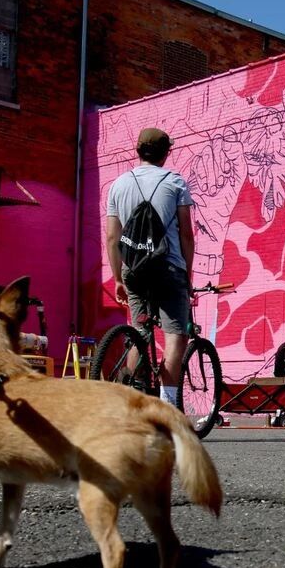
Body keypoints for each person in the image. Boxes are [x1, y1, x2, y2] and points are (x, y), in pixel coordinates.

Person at [105, 127, 195, 407]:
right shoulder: (175, 182)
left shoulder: (118, 185)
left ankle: (129, 399)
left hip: (133, 269)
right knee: (175, 333)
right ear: (167, 153)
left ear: (137, 151)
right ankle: (168, 405)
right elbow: (186, 234)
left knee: (139, 332)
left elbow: (112, 236)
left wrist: (119, 277)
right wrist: (187, 274)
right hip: (168, 267)